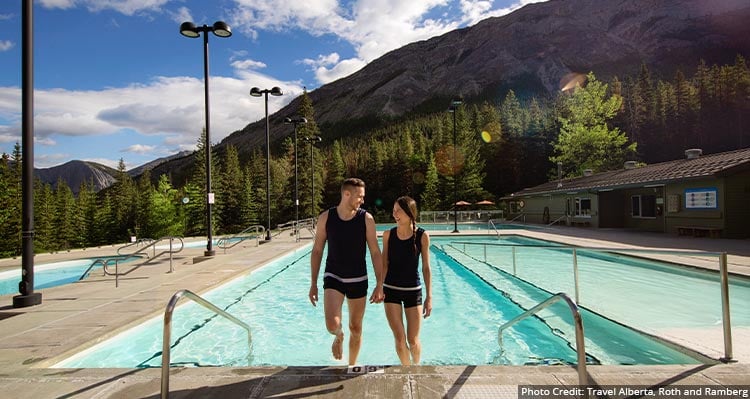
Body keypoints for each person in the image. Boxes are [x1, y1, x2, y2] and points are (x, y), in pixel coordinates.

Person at [309, 178, 384, 365]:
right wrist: (313, 283)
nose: (363, 200)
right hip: (333, 276)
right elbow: (317, 250)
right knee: (332, 324)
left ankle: (352, 364)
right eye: (360, 196)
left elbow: (375, 252)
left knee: (356, 327)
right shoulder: (326, 217)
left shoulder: (366, 219)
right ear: (346, 194)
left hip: (358, 278)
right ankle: (339, 334)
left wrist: (380, 283)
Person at [381, 196, 432, 365]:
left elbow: (426, 268)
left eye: (399, 211)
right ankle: (406, 369)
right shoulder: (388, 235)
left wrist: (429, 297)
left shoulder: (422, 236)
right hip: (391, 290)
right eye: (394, 210)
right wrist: (379, 287)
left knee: (413, 339)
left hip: (413, 291)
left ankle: (416, 369)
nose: (395, 214)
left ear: (410, 213)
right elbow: (384, 264)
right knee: (400, 338)